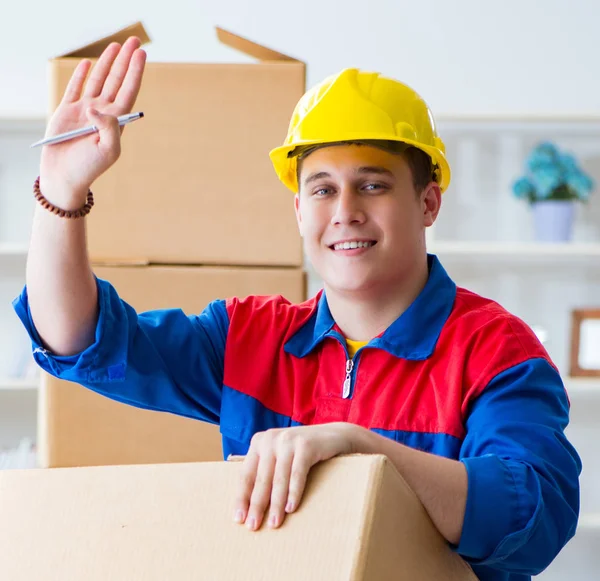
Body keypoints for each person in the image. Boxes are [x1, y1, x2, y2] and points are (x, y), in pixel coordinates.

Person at [14, 36, 581, 581]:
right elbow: (78, 339)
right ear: (298, 208)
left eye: (373, 185)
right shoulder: (251, 338)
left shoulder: (495, 351)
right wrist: (59, 191)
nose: (345, 211)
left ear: (427, 202)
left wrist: (361, 451)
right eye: (323, 189)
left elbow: (534, 517)